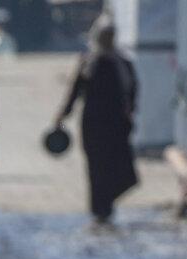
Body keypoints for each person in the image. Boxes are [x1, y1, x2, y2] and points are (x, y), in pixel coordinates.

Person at [55, 16, 138, 227]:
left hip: (116, 125)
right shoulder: (88, 62)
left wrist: (131, 113)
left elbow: (133, 91)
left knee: (118, 166)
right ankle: (100, 209)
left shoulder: (122, 62)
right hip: (93, 124)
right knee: (96, 167)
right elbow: (75, 91)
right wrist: (62, 115)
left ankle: (106, 203)